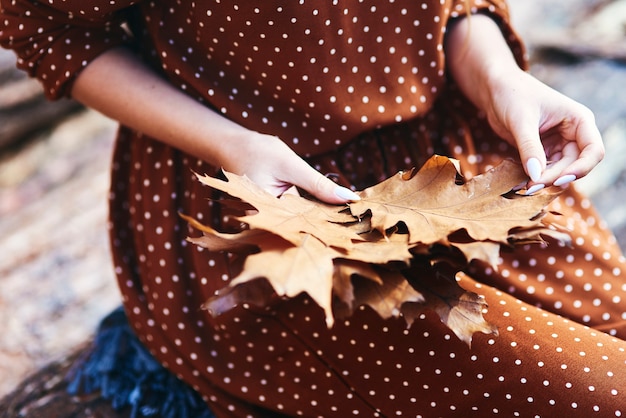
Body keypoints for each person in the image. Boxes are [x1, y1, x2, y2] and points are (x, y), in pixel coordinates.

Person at [1, 1, 624, 417]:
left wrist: (498, 79)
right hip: (277, 209)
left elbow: (449, 10)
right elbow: (51, 32)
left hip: (453, 162)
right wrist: (231, 145)